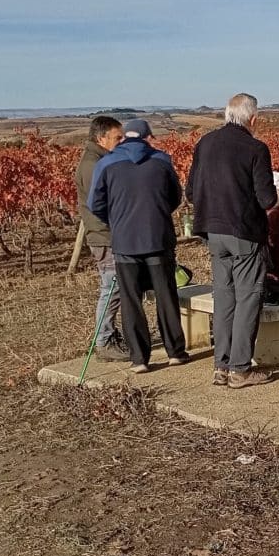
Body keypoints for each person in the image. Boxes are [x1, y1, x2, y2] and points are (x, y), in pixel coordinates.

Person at [188, 93, 277, 388]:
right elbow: (267, 198)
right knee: (248, 297)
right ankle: (240, 368)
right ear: (252, 119)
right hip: (244, 232)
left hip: (212, 231)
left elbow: (190, 192)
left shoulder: (205, 144)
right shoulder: (255, 148)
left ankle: (221, 366)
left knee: (224, 297)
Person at [88, 119, 189, 374]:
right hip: (158, 239)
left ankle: (139, 359)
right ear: (148, 137)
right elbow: (175, 196)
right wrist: (159, 214)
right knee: (166, 295)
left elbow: (95, 204)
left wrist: (116, 220)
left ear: (125, 137)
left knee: (131, 301)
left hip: (124, 243)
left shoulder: (106, 163)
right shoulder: (162, 161)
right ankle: (175, 352)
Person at [75, 115, 127, 362]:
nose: (122, 141)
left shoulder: (99, 161)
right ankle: (104, 341)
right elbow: (101, 205)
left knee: (114, 287)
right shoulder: (95, 165)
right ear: (101, 138)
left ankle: (109, 336)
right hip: (105, 236)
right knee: (112, 288)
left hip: (105, 234)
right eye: (118, 137)